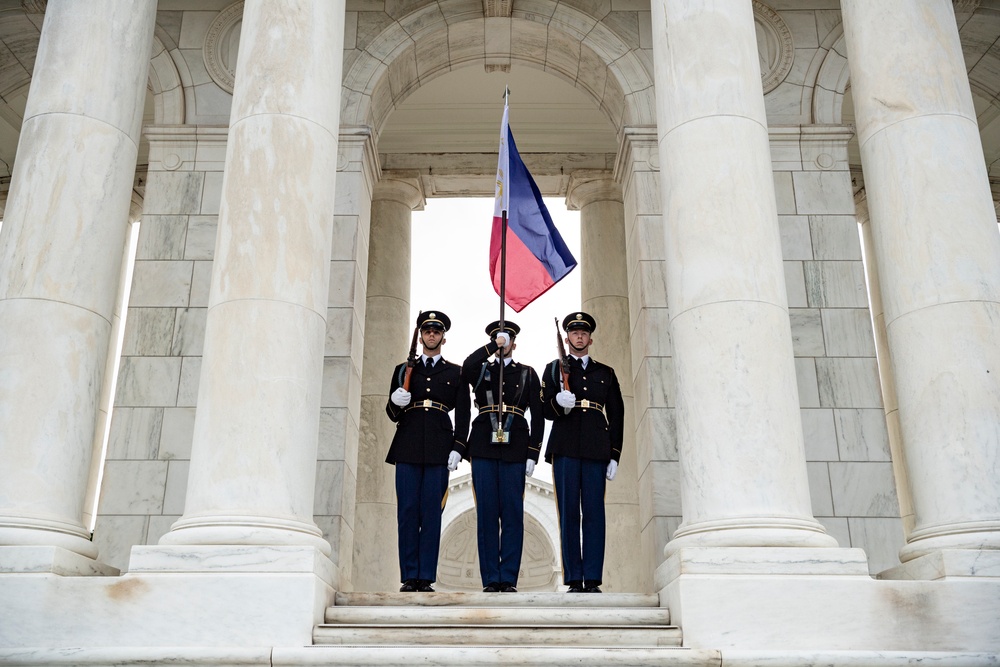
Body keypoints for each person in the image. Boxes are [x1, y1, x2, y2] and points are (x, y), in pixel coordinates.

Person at [453, 320, 543, 593]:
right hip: (483, 446)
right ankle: (491, 578)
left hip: (516, 445)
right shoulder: (481, 370)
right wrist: (492, 346)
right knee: (487, 514)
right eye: (499, 339)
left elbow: (538, 416)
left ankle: (509, 579)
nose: (504, 343)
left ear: (515, 343)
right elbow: (465, 367)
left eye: (507, 339)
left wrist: (533, 453)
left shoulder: (528, 372)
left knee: (513, 515)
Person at [385, 310, 470, 592]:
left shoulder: (456, 372)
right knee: (408, 511)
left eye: (436, 331)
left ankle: (426, 576)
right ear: (421, 335)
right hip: (408, 444)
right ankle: (410, 575)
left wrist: (459, 447)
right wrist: (396, 401)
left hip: (439, 448)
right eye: (427, 331)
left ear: (443, 337)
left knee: (432, 512)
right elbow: (391, 412)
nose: (431, 335)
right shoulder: (403, 369)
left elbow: (464, 415)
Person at [541, 312, 624, 593]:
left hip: (596, 448)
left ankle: (592, 578)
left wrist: (614, 453)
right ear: (567, 338)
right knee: (568, 514)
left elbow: (617, 414)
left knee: (593, 514)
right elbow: (543, 410)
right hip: (564, 446)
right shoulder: (554, 369)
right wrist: (557, 402)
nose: (579, 336)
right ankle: (574, 578)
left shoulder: (605, 372)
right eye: (574, 332)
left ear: (590, 338)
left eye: (583, 332)